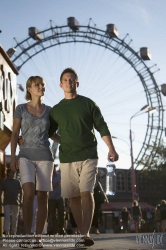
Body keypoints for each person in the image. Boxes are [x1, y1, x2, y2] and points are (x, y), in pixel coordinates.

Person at [48, 68, 119, 246]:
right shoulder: (56, 110)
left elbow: (101, 126)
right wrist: (63, 141)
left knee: (86, 192)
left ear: (77, 83)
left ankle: (86, 232)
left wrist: (111, 148)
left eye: (72, 79)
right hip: (67, 158)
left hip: (88, 155)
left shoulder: (88, 104)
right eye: (65, 80)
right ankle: (81, 232)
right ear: (60, 85)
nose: (69, 82)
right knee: (73, 197)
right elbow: (49, 132)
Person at [10, 76, 59, 248]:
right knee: (29, 194)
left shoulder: (50, 111)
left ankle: (38, 238)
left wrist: (70, 142)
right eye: (37, 85)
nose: (41, 87)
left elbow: (52, 134)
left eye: (43, 85)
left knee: (43, 196)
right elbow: (15, 133)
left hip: (45, 156)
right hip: (25, 156)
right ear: (29, 89)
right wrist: (13, 156)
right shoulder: (21, 109)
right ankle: (27, 235)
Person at [0, 168, 22, 235]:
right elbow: (0, 191)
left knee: (14, 218)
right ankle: (6, 230)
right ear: (8, 173)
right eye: (12, 172)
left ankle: (13, 232)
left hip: (15, 202)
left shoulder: (17, 182)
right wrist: (0, 200)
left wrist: (21, 200)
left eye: (14, 172)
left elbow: (21, 191)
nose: (13, 174)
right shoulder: (4, 182)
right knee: (7, 216)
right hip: (7, 202)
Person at [48, 165, 66, 235]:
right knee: (53, 214)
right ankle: (55, 229)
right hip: (51, 198)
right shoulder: (48, 176)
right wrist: (54, 184)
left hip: (60, 197)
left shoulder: (60, 175)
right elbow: (48, 185)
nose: (53, 169)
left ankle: (61, 228)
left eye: (54, 168)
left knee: (61, 212)